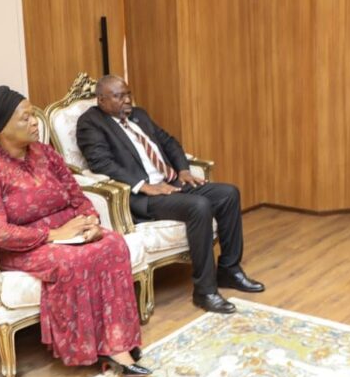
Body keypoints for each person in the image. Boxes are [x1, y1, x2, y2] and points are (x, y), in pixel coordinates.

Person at [0, 86, 151, 377]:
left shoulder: (45, 153)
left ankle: (116, 341)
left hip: (69, 232)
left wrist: (90, 222)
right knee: (72, 261)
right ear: (1, 128)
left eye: (33, 115)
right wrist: (54, 235)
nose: (34, 122)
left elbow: (76, 195)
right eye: (25, 118)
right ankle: (93, 348)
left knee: (113, 243)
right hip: (24, 246)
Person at [76, 75, 264, 314]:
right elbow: (101, 163)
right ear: (101, 100)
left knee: (228, 194)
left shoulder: (139, 115)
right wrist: (143, 186)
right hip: (145, 197)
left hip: (172, 183)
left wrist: (183, 170)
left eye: (128, 94)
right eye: (119, 96)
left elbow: (169, 142)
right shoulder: (90, 123)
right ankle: (205, 291)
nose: (127, 100)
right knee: (199, 206)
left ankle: (229, 270)